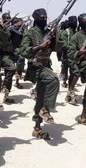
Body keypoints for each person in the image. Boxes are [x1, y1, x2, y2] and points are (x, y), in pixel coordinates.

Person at [20, 8, 59, 140]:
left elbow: (57, 49)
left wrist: (55, 35)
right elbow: (24, 51)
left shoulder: (46, 32)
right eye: (42, 17)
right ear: (36, 18)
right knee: (54, 80)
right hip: (36, 67)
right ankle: (45, 110)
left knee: (41, 96)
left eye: (46, 17)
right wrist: (39, 47)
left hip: (46, 65)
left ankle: (37, 128)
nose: (44, 19)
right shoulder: (30, 33)